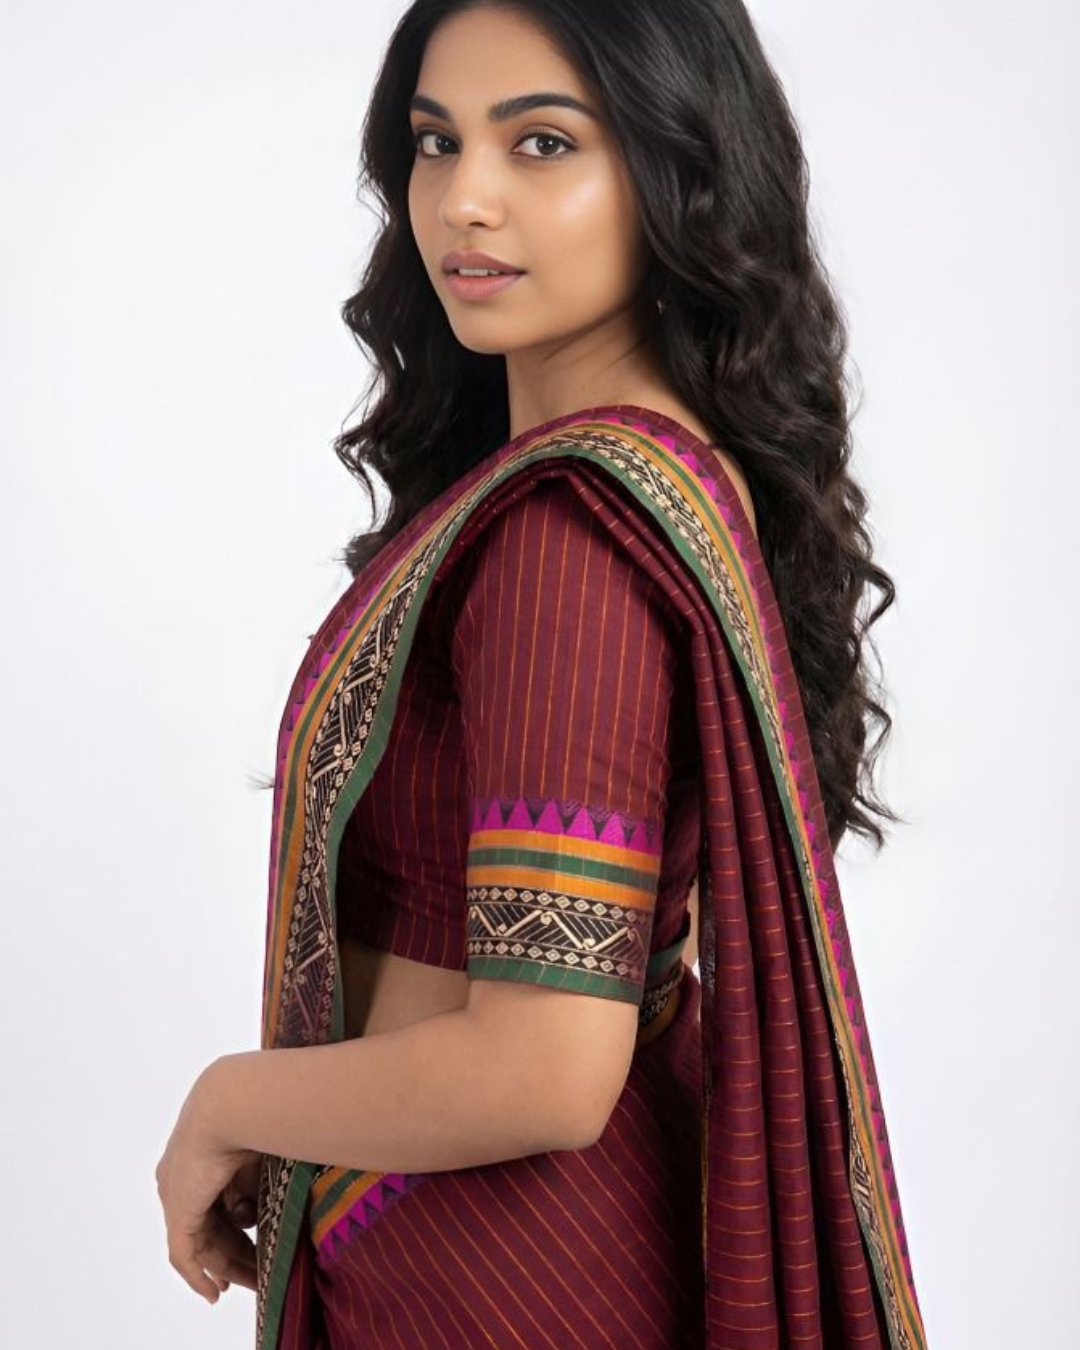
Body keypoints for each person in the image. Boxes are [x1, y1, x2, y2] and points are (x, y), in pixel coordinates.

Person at [155, 3, 929, 1348]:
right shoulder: (674, 472)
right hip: (512, 1228)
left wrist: (226, 1103)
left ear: (678, 172)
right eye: (436, 142)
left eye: (543, 143)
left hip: (499, 1259)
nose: (466, 199)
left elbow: (544, 1067)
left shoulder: (564, 544)